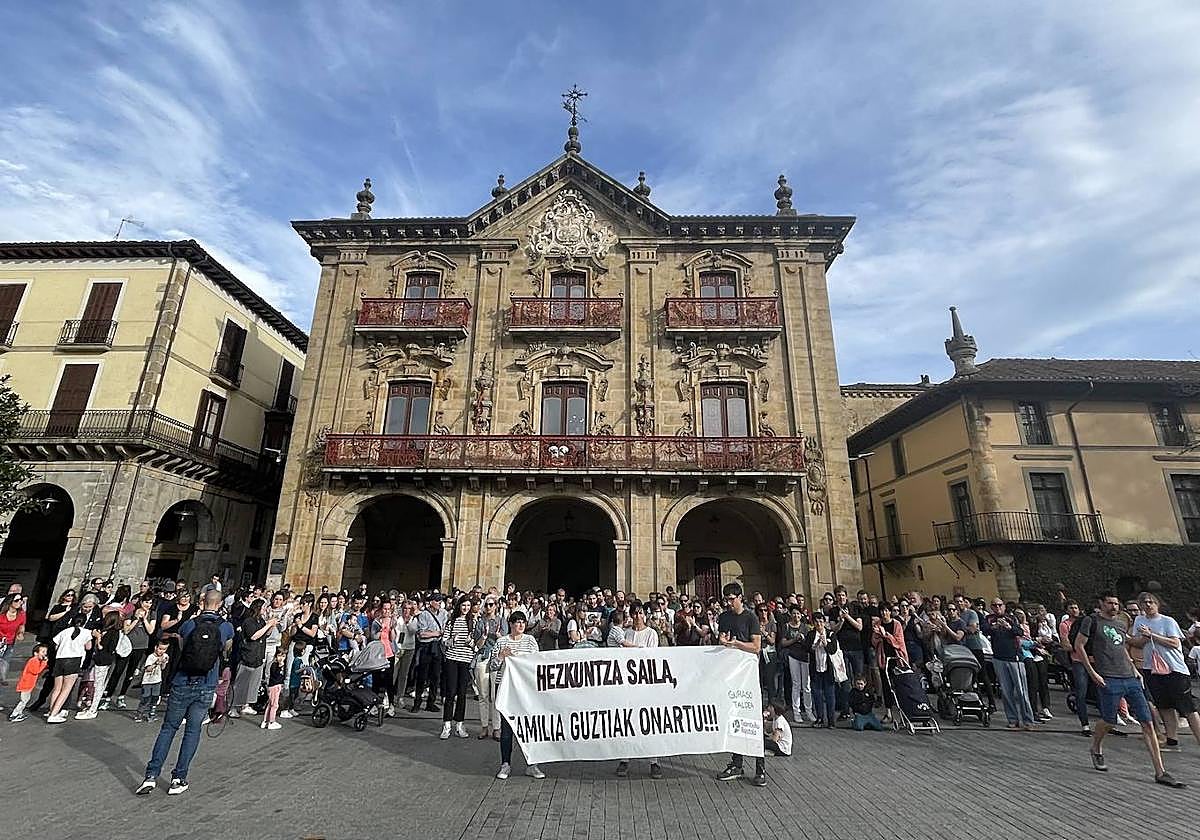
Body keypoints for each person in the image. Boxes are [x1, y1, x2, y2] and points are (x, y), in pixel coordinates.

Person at [1077, 591, 1184, 788]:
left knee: (1147, 722)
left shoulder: (1120, 623)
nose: (1114, 607)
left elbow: (1124, 647)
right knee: (1108, 721)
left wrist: (1135, 668)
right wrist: (1093, 673)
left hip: (1130, 677)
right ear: (1101, 603)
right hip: (1108, 677)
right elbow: (1079, 646)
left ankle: (1160, 771)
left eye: (1116, 603)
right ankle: (1096, 747)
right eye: (1109, 603)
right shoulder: (1091, 622)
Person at [136, 589, 234, 796]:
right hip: (206, 684)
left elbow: (181, 645)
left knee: (168, 729)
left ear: (202, 602)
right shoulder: (225, 626)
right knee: (192, 731)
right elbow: (226, 650)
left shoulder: (190, 623)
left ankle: (151, 776)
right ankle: (178, 778)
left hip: (182, 681)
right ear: (219, 604)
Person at [1130, 592, 1200, 752]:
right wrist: (1139, 639)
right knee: (1164, 705)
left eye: (1151, 602)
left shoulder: (1167, 621)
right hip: (1152, 668)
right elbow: (1139, 643)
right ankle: (1172, 741)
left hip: (1174, 669)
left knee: (1187, 707)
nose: (1147, 605)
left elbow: (1175, 643)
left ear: (1157, 604)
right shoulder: (1139, 621)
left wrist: (1152, 635)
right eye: (1144, 602)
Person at [715, 582, 766, 787]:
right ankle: (737, 764)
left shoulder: (751, 617)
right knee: (733, 717)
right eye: (726, 599)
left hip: (749, 673)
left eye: (731, 599)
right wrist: (723, 640)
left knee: (753, 720)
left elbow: (756, 647)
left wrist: (736, 644)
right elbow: (721, 637)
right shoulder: (725, 617)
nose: (728, 603)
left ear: (740, 597)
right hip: (731, 673)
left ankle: (760, 768)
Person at [489, 610, 544, 781]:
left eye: (523, 622)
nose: (520, 625)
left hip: (525, 689)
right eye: (517, 622)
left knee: (529, 727)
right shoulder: (501, 641)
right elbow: (492, 666)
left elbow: (535, 663)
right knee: (507, 729)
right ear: (511, 624)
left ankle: (532, 764)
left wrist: (515, 657)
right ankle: (505, 763)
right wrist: (500, 657)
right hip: (506, 687)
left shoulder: (530, 641)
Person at [615, 604, 663, 780]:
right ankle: (624, 759)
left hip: (646, 683)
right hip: (628, 683)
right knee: (627, 720)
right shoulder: (626, 633)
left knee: (649, 720)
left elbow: (651, 656)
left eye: (640, 613)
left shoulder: (651, 633)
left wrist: (634, 650)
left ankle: (654, 761)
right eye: (634, 613)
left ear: (645, 614)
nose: (637, 616)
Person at [983, 597, 1037, 730]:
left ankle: (1028, 720)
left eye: (999, 605)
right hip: (999, 657)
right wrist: (995, 626)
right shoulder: (989, 619)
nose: (997, 607)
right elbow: (985, 630)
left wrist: (1008, 626)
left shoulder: (1011, 618)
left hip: (1014, 658)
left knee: (1021, 691)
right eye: (994, 605)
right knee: (1006, 691)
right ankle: (1012, 719)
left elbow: (1020, 632)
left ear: (1004, 606)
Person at [440, 596, 475, 740]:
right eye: (463, 605)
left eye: (468, 605)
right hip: (452, 659)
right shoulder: (452, 621)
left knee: (461, 693)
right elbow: (444, 641)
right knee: (450, 692)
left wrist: (471, 642)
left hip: (465, 659)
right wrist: (451, 641)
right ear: (459, 606)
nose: (466, 608)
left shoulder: (472, 622)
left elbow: (476, 645)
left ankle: (459, 724)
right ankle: (447, 724)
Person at [76, 610, 122, 720]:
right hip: (98, 659)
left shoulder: (113, 633)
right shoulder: (107, 630)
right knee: (96, 683)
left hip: (104, 660)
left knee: (98, 685)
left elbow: (104, 648)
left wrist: (98, 637)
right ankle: (91, 707)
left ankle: (93, 709)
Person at [48, 613, 93, 723]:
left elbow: (55, 645)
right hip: (74, 660)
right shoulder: (86, 632)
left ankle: (52, 710)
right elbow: (89, 647)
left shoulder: (64, 631)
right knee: (66, 689)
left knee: (57, 688)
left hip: (60, 659)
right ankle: (53, 715)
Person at [229, 598, 271, 718]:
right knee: (241, 683)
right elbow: (253, 636)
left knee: (253, 683)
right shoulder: (249, 621)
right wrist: (268, 625)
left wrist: (271, 626)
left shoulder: (261, 620)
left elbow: (265, 634)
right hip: (248, 655)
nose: (265, 609)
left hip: (258, 656)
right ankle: (233, 707)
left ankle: (245, 705)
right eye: (263, 607)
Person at [412, 593, 448, 713]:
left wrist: (432, 632)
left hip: (437, 646)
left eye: (440, 601)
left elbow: (445, 629)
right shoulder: (424, 615)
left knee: (436, 676)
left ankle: (430, 702)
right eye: (437, 600)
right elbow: (422, 634)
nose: (439, 603)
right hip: (426, 647)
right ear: (431, 602)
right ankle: (417, 702)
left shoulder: (444, 613)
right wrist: (437, 633)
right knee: (422, 676)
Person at [777, 604, 813, 724]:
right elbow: (783, 643)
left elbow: (809, 643)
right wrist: (794, 639)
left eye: (798, 613)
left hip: (805, 657)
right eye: (794, 613)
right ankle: (796, 711)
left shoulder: (805, 627)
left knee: (806, 686)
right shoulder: (787, 626)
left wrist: (803, 639)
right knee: (796, 684)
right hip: (793, 656)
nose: (796, 616)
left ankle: (809, 710)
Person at [6, 643, 49, 722]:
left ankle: (19, 713)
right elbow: (36, 671)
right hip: (26, 685)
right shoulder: (33, 661)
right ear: (36, 653)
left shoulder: (36, 661)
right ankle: (14, 714)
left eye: (45, 652)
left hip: (28, 685)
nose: (45, 654)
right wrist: (44, 663)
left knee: (25, 700)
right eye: (43, 652)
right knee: (23, 701)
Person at [134, 640, 170, 722]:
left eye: (164, 649)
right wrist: (157, 663)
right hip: (147, 681)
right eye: (160, 649)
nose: (162, 651)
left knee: (155, 698)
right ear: (156, 647)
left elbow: (163, 668)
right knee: (145, 698)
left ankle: (151, 714)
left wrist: (163, 662)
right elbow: (148, 669)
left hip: (157, 680)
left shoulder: (165, 656)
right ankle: (139, 714)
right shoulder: (151, 657)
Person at [0, 592, 27, 686]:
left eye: (21, 600)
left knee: (5, 659)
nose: (20, 602)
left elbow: (21, 625)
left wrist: (20, 633)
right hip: (0, 640)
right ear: (10, 602)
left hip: (10, 641)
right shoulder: (2, 614)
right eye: (17, 600)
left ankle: (2, 678)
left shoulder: (21, 614)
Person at [261, 648, 285, 731]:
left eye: (283, 656)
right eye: (279, 656)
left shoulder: (280, 665)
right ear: (276, 656)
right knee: (274, 705)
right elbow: (275, 675)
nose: (281, 658)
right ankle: (271, 722)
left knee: (270, 704)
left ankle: (265, 721)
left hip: (276, 685)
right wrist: (280, 666)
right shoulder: (275, 665)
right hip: (274, 686)